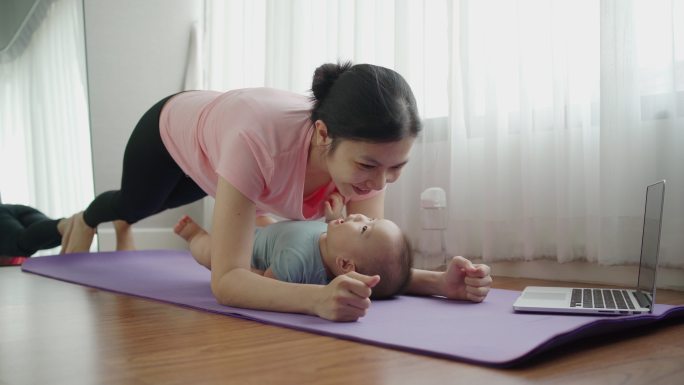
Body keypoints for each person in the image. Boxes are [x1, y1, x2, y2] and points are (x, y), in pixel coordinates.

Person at [61, 61, 492, 321]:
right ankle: (87, 218)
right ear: (324, 135)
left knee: (175, 198)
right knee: (141, 203)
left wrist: (439, 283)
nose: (378, 185)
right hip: (171, 129)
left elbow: (361, 263)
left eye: (396, 168)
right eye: (368, 166)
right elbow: (227, 281)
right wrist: (314, 300)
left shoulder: (360, 162)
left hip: (222, 146)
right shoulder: (258, 143)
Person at [175, 212, 413, 299]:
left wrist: (235, 268)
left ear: (345, 264)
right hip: (274, 233)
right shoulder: (334, 242)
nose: (361, 216)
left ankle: (195, 236)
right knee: (268, 223)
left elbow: (262, 283)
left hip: (247, 248)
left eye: (364, 228)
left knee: (211, 253)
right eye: (371, 219)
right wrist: (332, 218)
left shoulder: (294, 260)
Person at [0, 204, 71, 257]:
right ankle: (75, 222)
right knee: (61, 234)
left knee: (21, 244)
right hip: (24, 211)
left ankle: (75, 223)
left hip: (5, 212)